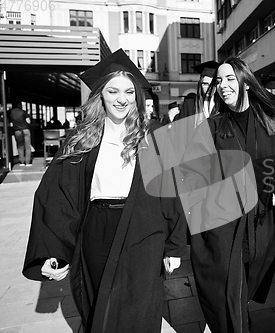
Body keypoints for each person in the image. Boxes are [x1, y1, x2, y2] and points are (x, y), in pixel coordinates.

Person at [22, 49, 187, 333]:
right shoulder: (82, 139)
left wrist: (173, 246)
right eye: (113, 91)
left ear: (137, 96)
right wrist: (53, 251)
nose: (121, 99)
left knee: (140, 306)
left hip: (145, 231)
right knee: (99, 302)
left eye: (128, 92)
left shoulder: (154, 135)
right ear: (101, 94)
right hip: (97, 230)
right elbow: (57, 195)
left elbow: (171, 191)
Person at [184, 56, 275, 333]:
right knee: (230, 294)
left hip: (262, 225)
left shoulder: (270, 123)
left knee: (245, 287)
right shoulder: (211, 127)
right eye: (219, 81)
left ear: (246, 81)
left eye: (229, 78)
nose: (223, 85)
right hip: (226, 227)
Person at [177, 60, 218, 126]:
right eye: (205, 84)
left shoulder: (222, 105)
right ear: (200, 85)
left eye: (213, 85)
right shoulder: (190, 105)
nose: (209, 88)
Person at [9, 102, 32, 166]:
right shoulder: (23, 112)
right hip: (25, 129)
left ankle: (21, 161)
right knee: (27, 146)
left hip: (17, 130)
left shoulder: (11, 112)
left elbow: (10, 123)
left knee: (20, 146)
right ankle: (27, 162)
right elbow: (28, 121)